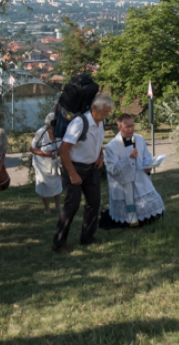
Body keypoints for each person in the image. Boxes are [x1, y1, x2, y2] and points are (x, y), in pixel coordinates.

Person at [52, 93, 112, 253]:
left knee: (94, 202)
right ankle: (59, 243)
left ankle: (88, 237)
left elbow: (97, 141)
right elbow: (63, 149)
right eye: (105, 111)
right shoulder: (79, 123)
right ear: (95, 108)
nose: (107, 115)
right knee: (72, 205)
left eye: (109, 112)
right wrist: (72, 174)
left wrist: (100, 155)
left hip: (91, 168)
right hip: (73, 167)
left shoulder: (101, 121)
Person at [102, 114, 164, 227]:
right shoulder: (112, 146)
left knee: (155, 202)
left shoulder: (139, 139)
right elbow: (112, 169)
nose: (131, 129)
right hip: (123, 185)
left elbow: (146, 156)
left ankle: (147, 218)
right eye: (127, 127)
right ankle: (131, 220)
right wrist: (128, 159)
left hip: (140, 178)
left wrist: (147, 166)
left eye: (132, 125)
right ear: (120, 128)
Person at [30, 114, 62, 214]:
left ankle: (58, 206)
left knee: (57, 184)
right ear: (48, 125)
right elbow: (32, 148)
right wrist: (44, 154)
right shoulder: (41, 132)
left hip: (55, 163)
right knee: (44, 185)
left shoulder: (60, 131)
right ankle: (47, 208)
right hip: (42, 164)